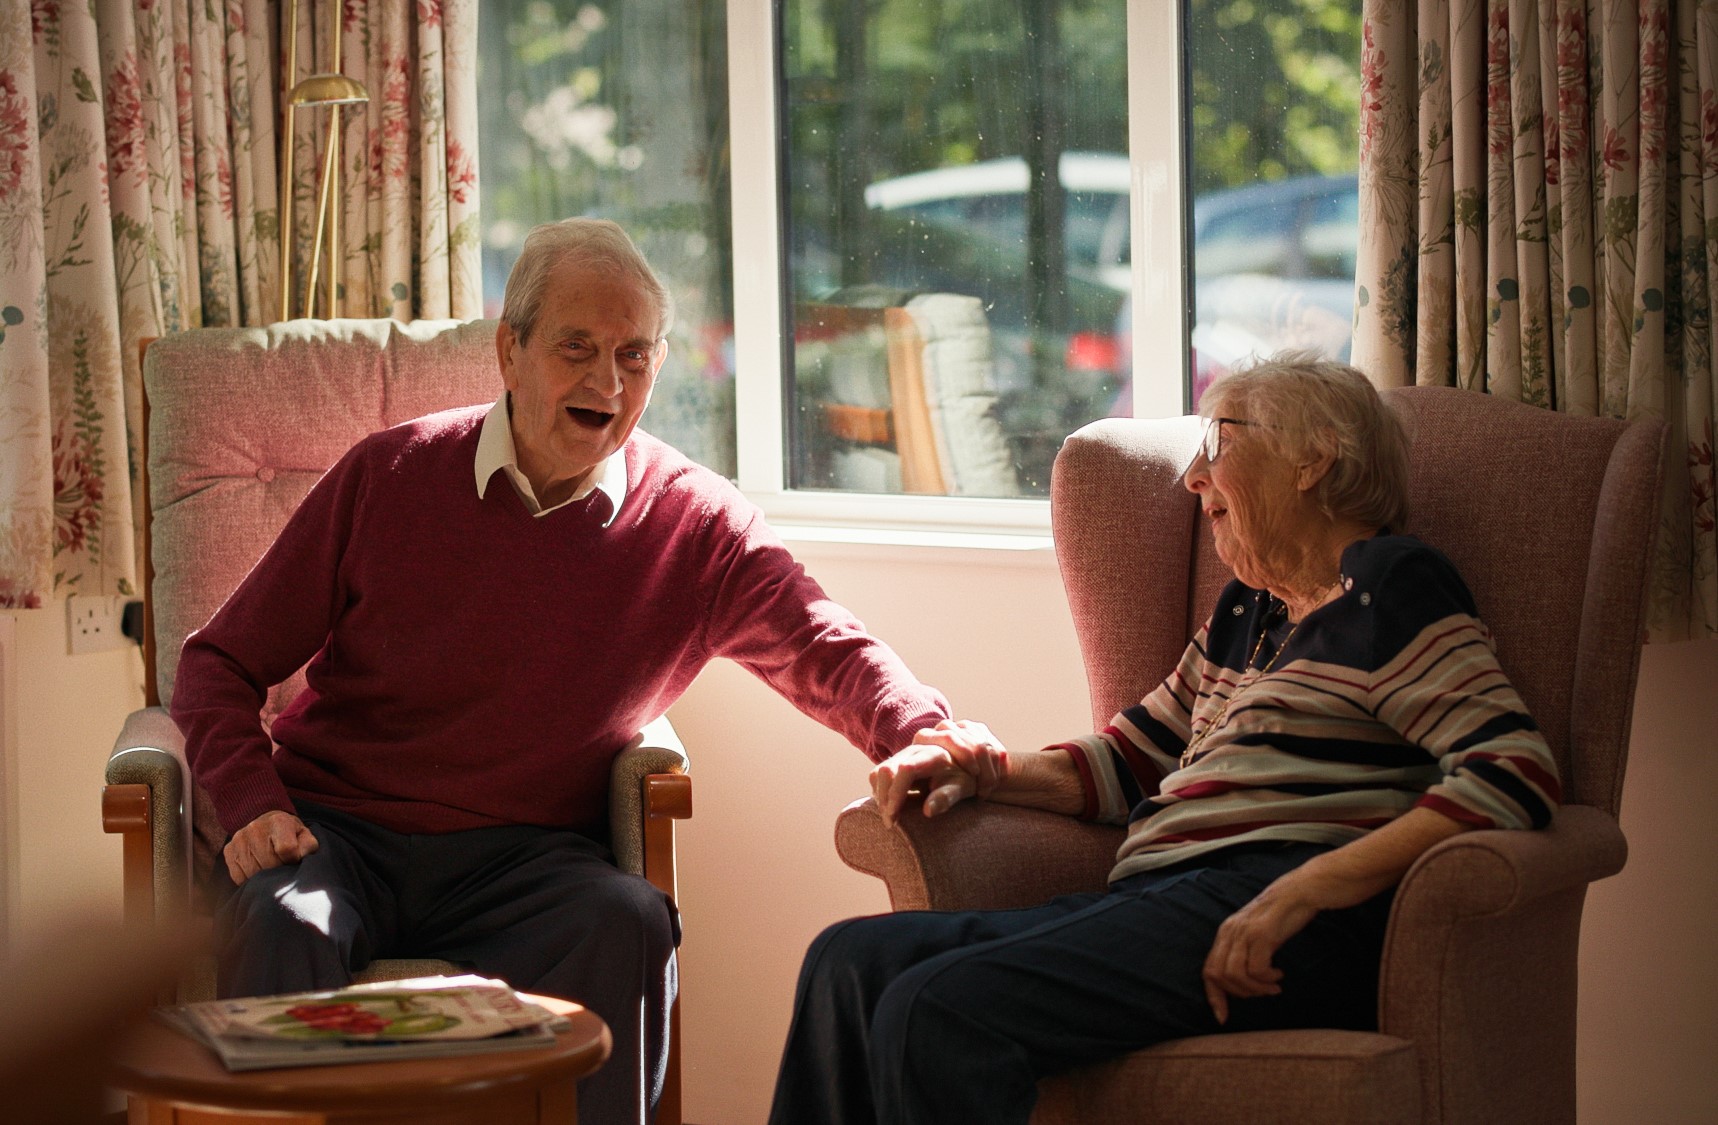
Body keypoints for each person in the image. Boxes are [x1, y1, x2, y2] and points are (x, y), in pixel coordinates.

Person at [171, 218, 954, 1125]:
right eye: (576, 347)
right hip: (340, 834)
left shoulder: (697, 525)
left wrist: (925, 731)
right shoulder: (390, 474)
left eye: (632, 355)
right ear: (511, 351)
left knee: (627, 919)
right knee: (281, 923)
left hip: (526, 858)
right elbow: (217, 661)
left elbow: (822, 642)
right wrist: (252, 801)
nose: (607, 383)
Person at [767, 355, 1562, 1125]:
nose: (1194, 478)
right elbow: (1126, 763)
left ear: (1314, 458)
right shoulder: (1246, 614)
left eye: (1221, 443)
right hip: (1158, 901)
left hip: (1277, 913)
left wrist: (1307, 887)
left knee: (936, 1011)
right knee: (847, 963)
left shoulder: (1387, 585)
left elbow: (1514, 770)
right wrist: (985, 767)